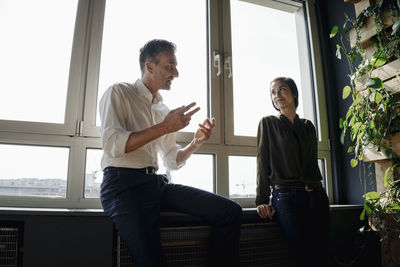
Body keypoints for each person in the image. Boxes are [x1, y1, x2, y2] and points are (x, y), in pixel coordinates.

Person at [99, 39, 242, 267]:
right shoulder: (119, 92)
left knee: (231, 212)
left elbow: (171, 160)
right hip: (122, 186)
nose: (175, 73)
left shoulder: (162, 109)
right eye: (170, 66)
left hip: (155, 184)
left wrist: (195, 142)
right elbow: (112, 144)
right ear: (149, 66)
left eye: (175, 67)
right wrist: (166, 127)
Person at [255, 77, 330, 267]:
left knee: (321, 254)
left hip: (317, 195)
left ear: (294, 93)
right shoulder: (268, 123)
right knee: (302, 255)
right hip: (286, 196)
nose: (277, 95)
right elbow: (262, 161)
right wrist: (262, 200)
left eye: (282, 89)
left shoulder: (307, 126)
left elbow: (311, 162)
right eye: (273, 92)